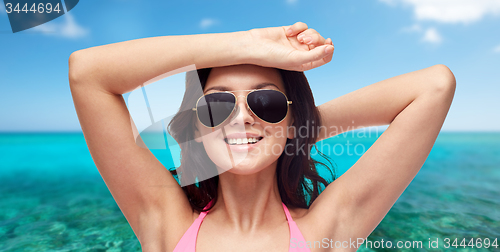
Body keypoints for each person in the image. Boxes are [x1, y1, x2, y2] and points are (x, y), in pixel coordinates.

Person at [69, 22, 456, 251]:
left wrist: (291, 127)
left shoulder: (325, 231)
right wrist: (249, 42)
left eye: (266, 101)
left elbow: (435, 86)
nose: (240, 117)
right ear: (197, 129)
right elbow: (87, 72)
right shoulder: (166, 223)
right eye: (216, 106)